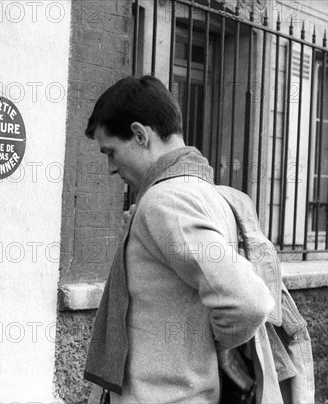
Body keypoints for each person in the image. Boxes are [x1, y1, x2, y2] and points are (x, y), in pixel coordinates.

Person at [82, 75, 275, 403]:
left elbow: (249, 302)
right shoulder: (206, 192)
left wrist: (211, 343)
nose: (111, 167)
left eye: (111, 152)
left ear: (140, 135)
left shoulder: (166, 202)